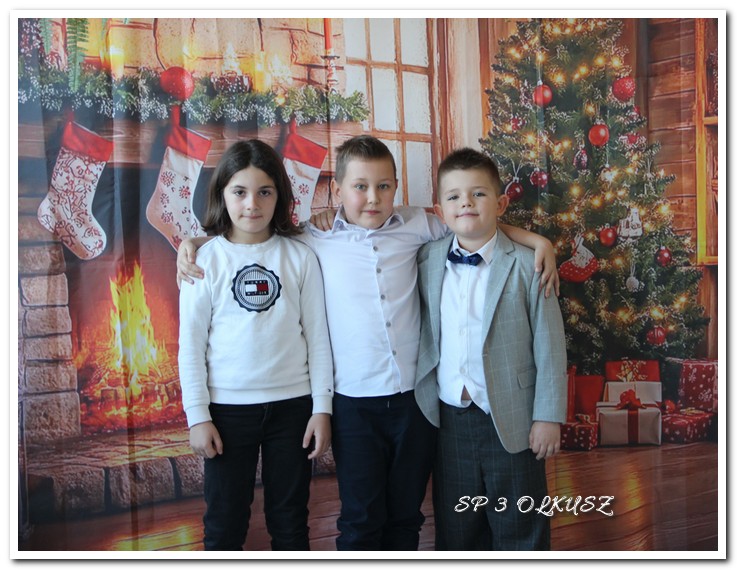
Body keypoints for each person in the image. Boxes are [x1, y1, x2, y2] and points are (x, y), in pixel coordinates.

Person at [177, 135, 558, 551]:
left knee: (406, 516)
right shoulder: (312, 238)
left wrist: (538, 241)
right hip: (353, 405)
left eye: (383, 186)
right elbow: (252, 241)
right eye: (359, 186)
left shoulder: (419, 225)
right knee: (361, 517)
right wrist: (196, 244)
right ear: (338, 192)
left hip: (414, 401)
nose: (372, 198)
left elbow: (471, 224)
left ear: (396, 187)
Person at [177, 140, 333, 551]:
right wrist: (197, 416)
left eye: (265, 191)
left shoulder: (300, 257)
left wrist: (322, 408)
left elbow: (318, 338)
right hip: (227, 413)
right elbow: (190, 346)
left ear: (279, 195)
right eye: (240, 192)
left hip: (293, 409)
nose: (252, 204)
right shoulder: (203, 261)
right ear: (222, 194)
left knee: (290, 521)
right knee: (224, 524)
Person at [414, 148, 567, 551]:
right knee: (458, 529)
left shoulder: (529, 265)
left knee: (521, 526)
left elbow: (550, 345)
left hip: (515, 419)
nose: (465, 203)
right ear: (440, 210)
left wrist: (548, 416)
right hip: (449, 419)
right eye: (454, 196)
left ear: (500, 204)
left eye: (478, 194)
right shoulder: (426, 259)